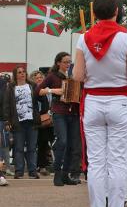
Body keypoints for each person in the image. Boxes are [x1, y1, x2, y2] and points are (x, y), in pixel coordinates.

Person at [73, 0, 127, 207]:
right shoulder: (126, 38)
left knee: (96, 162)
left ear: (94, 13)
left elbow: (78, 76)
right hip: (119, 102)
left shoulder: (83, 38)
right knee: (118, 161)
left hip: (93, 102)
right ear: (116, 12)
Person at [36, 52, 80, 186]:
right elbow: (38, 90)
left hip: (73, 113)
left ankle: (66, 174)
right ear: (58, 63)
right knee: (62, 141)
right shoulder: (52, 76)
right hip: (59, 113)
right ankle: (57, 174)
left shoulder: (73, 75)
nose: (68, 64)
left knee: (72, 145)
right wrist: (53, 91)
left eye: (69, 62)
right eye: (66, 62)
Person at [4, 66, 41, 179]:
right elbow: (6, 105)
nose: (22, 74)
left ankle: (32, 171)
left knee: (32, 148)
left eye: (24, 72)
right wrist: (7, 121)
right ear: (15, 74)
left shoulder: (32, 86)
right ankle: (19, 171)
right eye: (19, 72)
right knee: (18, 148)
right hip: (17, 122)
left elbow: (41, 100)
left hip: (32, 121)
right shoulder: (10, 87)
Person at [30, 70, 54, 176]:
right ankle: (41, 166)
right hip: (39, 120)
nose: (39, 79)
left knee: (51, 143)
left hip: (51, 120)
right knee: (41, 143)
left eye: (41, 77)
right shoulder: (33, 91)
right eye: (37, 78)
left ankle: (49, 164)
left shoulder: (48, 90)